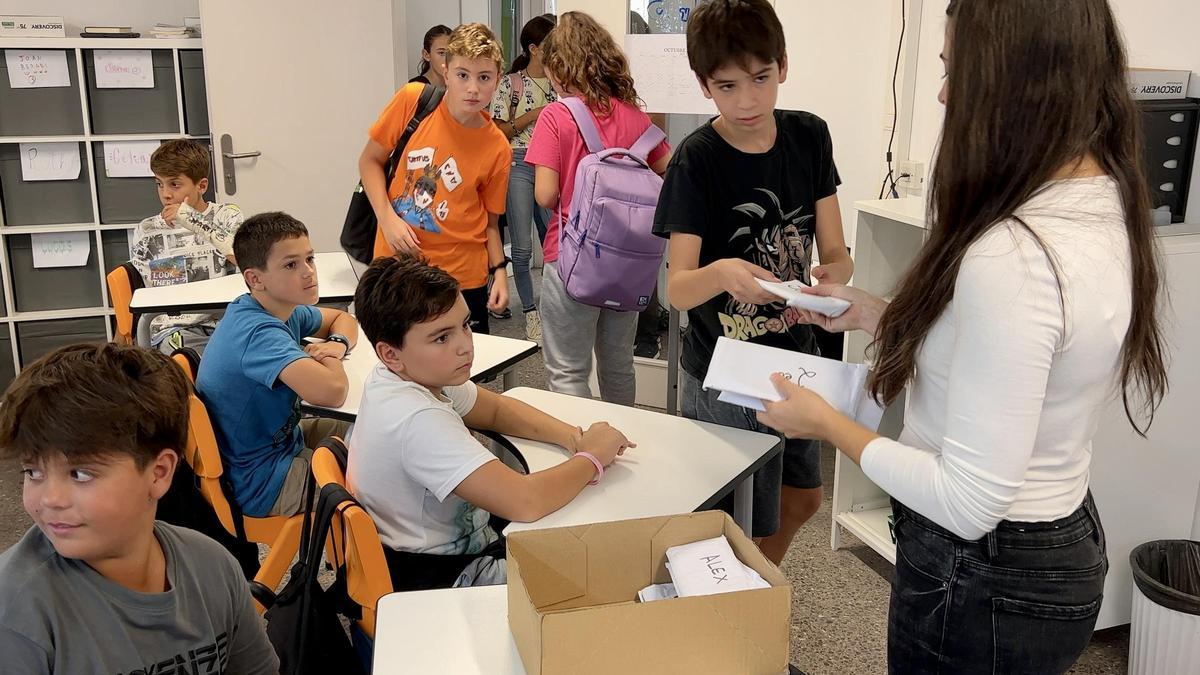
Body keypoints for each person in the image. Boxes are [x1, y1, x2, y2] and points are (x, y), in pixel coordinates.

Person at [755, 1, 1167, 671]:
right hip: (1059, 542)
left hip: (983, 577)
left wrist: (827, 423)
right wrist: (874, 313)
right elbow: (1016, 353)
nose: (944, 93)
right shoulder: (1105, 193)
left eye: (956, 70)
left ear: (1018, 79)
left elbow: (967, 499)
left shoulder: (1014, 254)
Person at [652, 0, 853, 564]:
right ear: (704, 85)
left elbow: (836, 252)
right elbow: (678, 288)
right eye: (728, 86)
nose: (748, 101)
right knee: (729, 517)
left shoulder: (809, 136)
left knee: (805, 496)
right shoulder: (697, 160)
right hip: (723, 370)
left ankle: (757, 581)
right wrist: (721, 273)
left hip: (795, 357)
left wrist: (832, 276)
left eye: (761, 79)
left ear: (782, 66)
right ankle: (734, 603)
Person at [347, 255, 634, 590]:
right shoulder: (416, 420)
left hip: (436, 549)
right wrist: (594, 458)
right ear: (390, 353)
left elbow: (496, 410)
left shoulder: (398, 377)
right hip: (445, 577)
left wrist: (573, 437)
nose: (465, 346)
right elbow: (526, 502)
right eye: (441, 338)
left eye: (465, 325)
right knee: (607, 573)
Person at [0, 343, 279, 674]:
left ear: (159, 472)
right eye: (33, 472)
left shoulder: (214, 568)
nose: (49, 499)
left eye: (80, 473)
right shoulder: (16, 610)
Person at [525, 11, 671, 405]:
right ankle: (621, 445)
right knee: (619, 364)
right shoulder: (637, 118)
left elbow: (545, 195)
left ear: (559, 66)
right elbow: (669, 178)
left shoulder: (556, 116)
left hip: (571, 259)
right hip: (629, 265)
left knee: (569, 369)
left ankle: (583, 456)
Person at [196, 212, 359, 518]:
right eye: (291, 265)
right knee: (386, 477)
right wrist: (330, 358)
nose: (309, 272)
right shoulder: (258, 334)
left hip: (282, 446)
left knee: (371, 429)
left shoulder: (278, 308)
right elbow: (333, 391)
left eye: (309, 259)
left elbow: (343, 318)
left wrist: (336, 343)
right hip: (264, 482)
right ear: (255, 279)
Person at [359, 22, 512, 334]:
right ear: (446, 72)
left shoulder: (497, 147)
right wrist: (387, 219)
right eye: (463, 75)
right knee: (396, 361)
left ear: (497, 80)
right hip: (398, 265)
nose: (473, 88)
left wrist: (499, 273)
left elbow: (491, 223)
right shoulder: (413, 100)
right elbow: (369, 161)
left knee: (462, 371)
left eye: (484, 77)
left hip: (462, 275)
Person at [130, 139, 243, 354]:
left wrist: (194, 221)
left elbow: (245, 259)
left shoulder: (227, 215)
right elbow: (148, 294)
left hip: (225, 324)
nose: (165, 194)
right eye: (159, 184)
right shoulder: (147, 230)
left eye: (174, 184)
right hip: (173, 328)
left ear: (201, 186)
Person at [489, 14, 557, 340]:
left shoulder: (563, 82)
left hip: (552, 166)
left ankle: (554, 310)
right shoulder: (511, 83)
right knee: (522, 248)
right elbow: (498, 131)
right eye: (551, 44)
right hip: (518, 163)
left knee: (554, 242)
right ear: (534, 48)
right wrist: (534, 115)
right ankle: (530, 313)